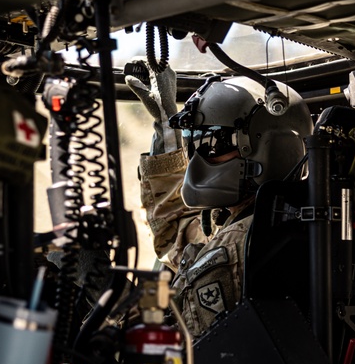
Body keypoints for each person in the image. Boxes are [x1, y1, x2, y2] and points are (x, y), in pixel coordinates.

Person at [128, 64, 312, 337]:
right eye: (194, 146)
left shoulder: (241, 241)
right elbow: (177, 237)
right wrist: (167, 131)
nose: (196, 159)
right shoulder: (276, 220)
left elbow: (165, 354)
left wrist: (102, 289)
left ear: (268, 149)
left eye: (212, 146)